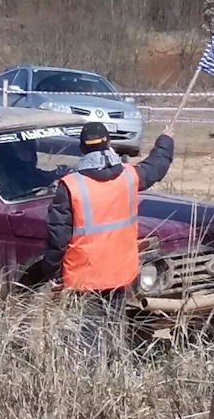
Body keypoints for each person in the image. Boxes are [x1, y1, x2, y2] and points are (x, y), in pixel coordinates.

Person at [41, 122, 174, 363]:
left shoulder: (70, 186)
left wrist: (51, 271)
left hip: (84, 277)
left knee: (87, 337)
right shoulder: (129, 176)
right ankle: (112, 373)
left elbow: (57, 237)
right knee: (113, 329)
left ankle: (88, 384)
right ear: (109, 143)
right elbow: (156, 167)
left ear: (82, 148)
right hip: (120, 272)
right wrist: (165, 140)